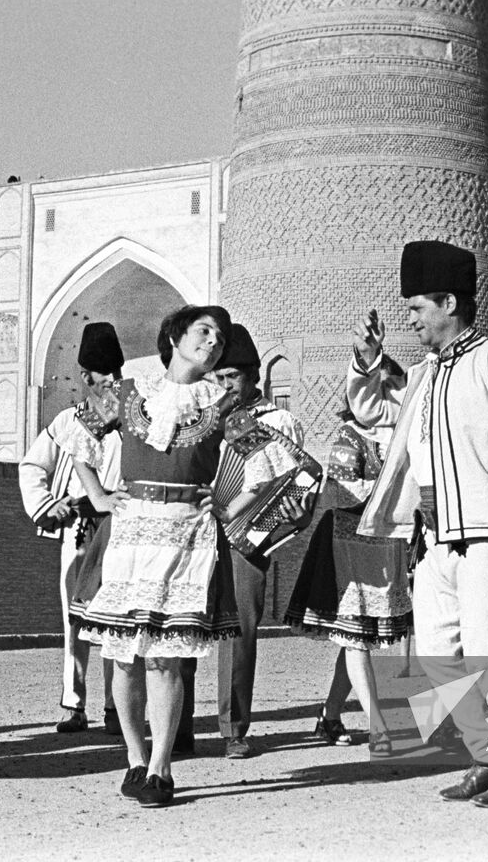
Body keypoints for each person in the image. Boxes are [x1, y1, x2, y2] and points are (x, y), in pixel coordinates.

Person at [347, 240, 488, 809]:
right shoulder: (423, 375)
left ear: (448, 301)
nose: (410, 320)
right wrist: (368, 359)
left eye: (417, 308)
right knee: (438, 652)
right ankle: (487, 755)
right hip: (436, 537)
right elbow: (371, 409)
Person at [72, 306, 289, 808]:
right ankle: (133, 758)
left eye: (219, 337)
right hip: (129, 534)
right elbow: (76, 438)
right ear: (174, 336)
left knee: (167, 657)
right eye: (203, 332)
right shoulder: (129, 395)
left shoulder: (223, 405)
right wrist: (100, 496)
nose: (213, 342)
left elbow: (274, 467)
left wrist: (227, 505)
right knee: (124, 656)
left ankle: (161, 767)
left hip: (187, 537)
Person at [284, 392, 411, 753]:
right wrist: (395, 493)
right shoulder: (350, 436)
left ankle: (330, 715)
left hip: (385, 544)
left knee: (358, 636)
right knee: (355, 635)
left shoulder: (401, 434)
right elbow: (342, 492)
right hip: (347, 542)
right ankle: (379, 727)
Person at [19, 321, 124, 734]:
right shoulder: (68, 421)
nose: (113, 378)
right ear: (86, 377)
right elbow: (31, 465)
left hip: (122, 522)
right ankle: (74, 704)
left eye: (116, 368)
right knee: (75, 618)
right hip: (80, 526)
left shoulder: (134, 417)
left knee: (119, 616)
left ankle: (117, 706)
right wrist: (48, 505)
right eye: (104, 371)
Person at [210, 323, 307, 759]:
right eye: (218, 377)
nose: (224, 386)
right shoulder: (208, 420)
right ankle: (178, 732)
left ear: (254, 376)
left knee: (238, 629)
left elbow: (294, 487)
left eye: (232, 377)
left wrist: (287, 517)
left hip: (248, 536)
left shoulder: (278, 421)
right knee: (184, 626)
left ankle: (234, 729)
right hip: (201, 530)